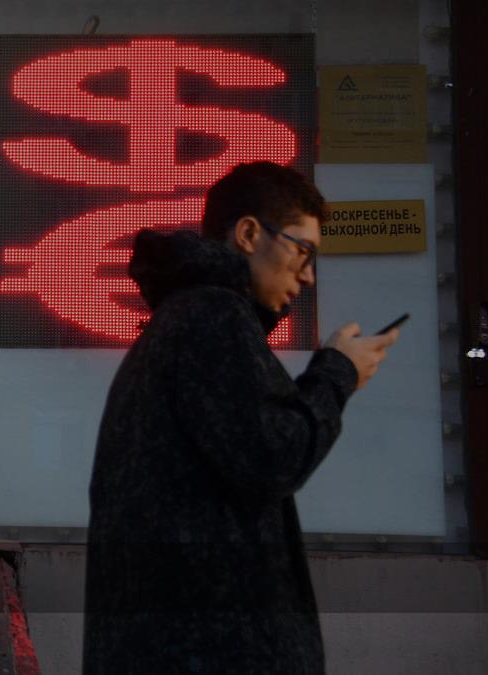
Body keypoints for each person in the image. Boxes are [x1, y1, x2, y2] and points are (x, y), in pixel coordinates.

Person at [82, 161, 399, 674]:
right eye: (303, 250)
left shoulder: (183, 319)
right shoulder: (213, 316)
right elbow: (272, 458)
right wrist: (336, 374)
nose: (309, 275)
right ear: (249, 234)